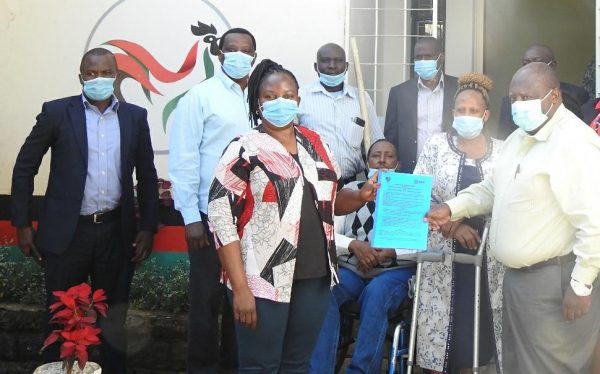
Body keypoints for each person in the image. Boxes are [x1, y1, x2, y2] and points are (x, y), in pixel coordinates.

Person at [426, 62, 600, 374]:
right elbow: (493, 188)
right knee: (520, 366)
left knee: (551, 368)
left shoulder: (573, 143)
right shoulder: (521, 137)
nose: (519, 105)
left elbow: (594, 220)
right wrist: (451, 209)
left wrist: (581, 284)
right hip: (520, 281)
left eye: (527, 97)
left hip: (556, 280)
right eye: (514, 98)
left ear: (554, 96)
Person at [207, 59, 379, 373]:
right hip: (262, 279)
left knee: (297, 365)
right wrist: (240, 288)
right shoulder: (244, 149)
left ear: (298, 100)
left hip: (314, 277)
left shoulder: (317, 144)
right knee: (260, 366)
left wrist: (360, 196)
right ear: (257, 103)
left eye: (288, 95)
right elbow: (221, 221)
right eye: (270, 97)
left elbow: (330, 202)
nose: (280, 102)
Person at [11, 48, 158, 374]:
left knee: (113, 319)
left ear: (116, 76)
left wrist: (148, 227)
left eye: (106, 72)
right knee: (61, 317)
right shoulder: (56, 113)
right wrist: (22, 224)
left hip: (115, 234)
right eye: (91, 74)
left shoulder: (134, 117)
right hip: (67, 235)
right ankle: (58, 370)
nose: (99, 79)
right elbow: (24, 168)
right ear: (81, 78)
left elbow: (146, 176)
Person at [169, 27, 257, 373]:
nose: (237, 54)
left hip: (252, 218)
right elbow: (184, 158)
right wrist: (190, 216)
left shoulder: (262, 99)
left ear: (254, 55)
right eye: (230, 49)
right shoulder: (200, 97)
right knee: (206, 303)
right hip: (208, 217)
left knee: (245, 298)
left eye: (245, 49)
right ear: (219, 55)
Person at [413, 73, 504, 374]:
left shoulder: (504, 151)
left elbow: (507, 201)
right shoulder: (436, 146)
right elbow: (417, 195)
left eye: (473, 111)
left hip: (489, 261)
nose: (466, 116)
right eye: (460, 110)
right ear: (452, 114)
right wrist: (453, 226)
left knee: (476, 339)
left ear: (485, 115)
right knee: (438, 340)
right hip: (441, 257)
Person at [308, 139, 415, 374]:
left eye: (389, 156)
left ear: (399, 162)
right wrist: (355, 245)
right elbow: (328, 234)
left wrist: (391, 251)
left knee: (377, 293)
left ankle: (361, 370)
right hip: (353, 267)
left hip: (394, 271)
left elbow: (422, 244)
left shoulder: (410, 191)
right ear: (367, 161)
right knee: (324, 291)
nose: (383, 160)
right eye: (376, 155)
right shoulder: (351, 191)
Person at [298, 43, 384, 183]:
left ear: (347, 66)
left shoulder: (361, 97)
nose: (332, 65)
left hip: (351, 183)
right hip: (314, 184)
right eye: (326, 60)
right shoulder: (301, 96)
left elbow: (376, 140)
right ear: (316, 66)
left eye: (338, 60)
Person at [384, 37, 458, 173]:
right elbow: (391, 136)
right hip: (410, 171)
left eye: (428, 56)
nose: (423, 61)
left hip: (449, 169)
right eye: (418, 57)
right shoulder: (399, 93)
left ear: (441, 57)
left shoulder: (459, 89)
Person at [496, 44, 590, 139]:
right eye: (526, 63)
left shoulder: (575, 95)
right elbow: (503, 136)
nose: (531, 68)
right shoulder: (511, 101)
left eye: (538, 63)